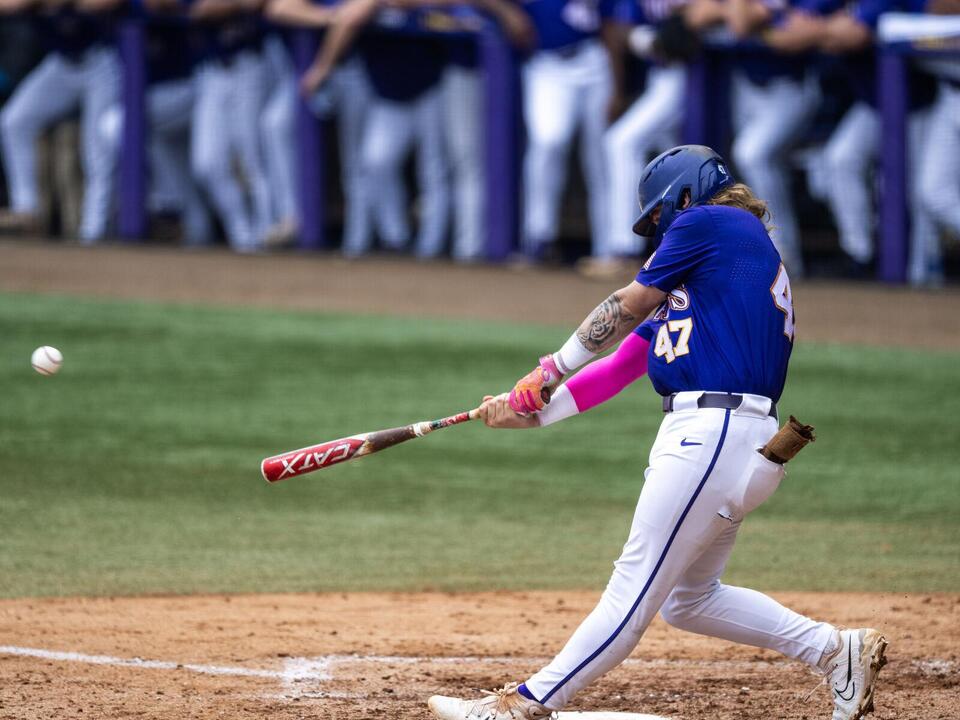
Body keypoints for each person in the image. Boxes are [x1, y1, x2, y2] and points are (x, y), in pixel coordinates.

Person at [427, 145, 888, 720]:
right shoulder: (712, 281)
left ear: (685, 198)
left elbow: (624, 304)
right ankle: (834, 651)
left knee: (633, 590)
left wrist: (549, 368)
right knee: (689, 600)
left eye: (658, 218)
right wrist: (530, 410)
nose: (658, 233)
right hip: (730, 439)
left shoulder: (710, 221)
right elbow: (619, 367)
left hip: (713, 432)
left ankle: (520, 706)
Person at [0, 0, 121, 242]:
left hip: (101, 60)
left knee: (97, 149)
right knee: (14, 122)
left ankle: (93, 232)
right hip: (62, 63)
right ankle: (27, 212)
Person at [518, 0, 626, 261]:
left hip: (593, 60)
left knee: (600, 157)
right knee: (548, 141)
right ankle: (539, 237)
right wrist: (507, 11)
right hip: (547, 64)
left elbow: (611, 25)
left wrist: (617, 86)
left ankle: (608, 247)